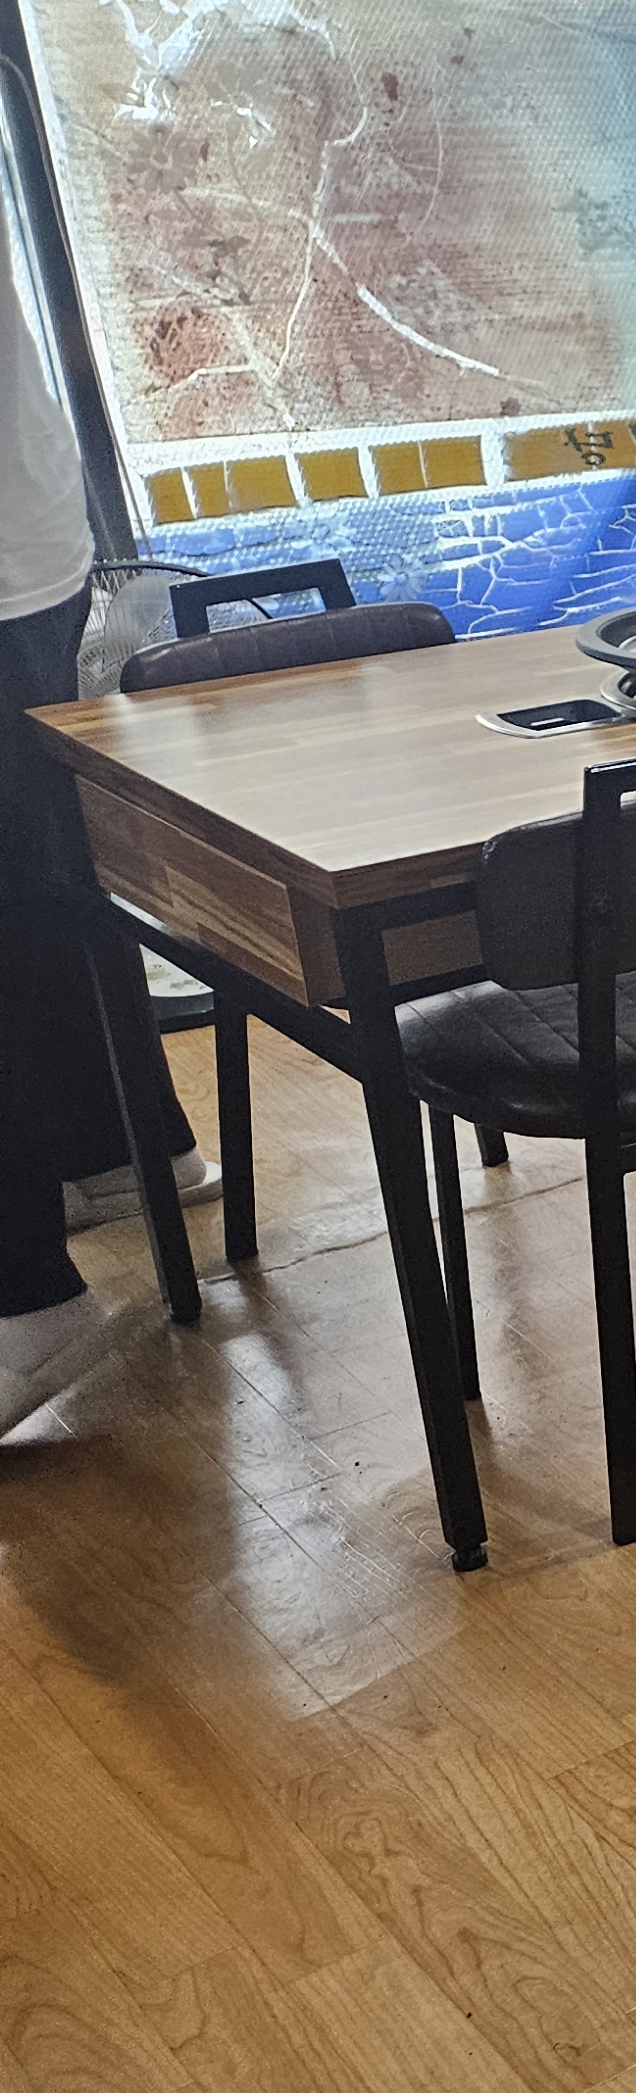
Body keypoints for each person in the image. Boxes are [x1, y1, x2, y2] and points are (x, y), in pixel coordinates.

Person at [0, 199, 186, 1434]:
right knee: (37, 874)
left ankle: (20, 1298)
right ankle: (121, 1144)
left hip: (16, 545)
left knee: (31, 878)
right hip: (23, 538)